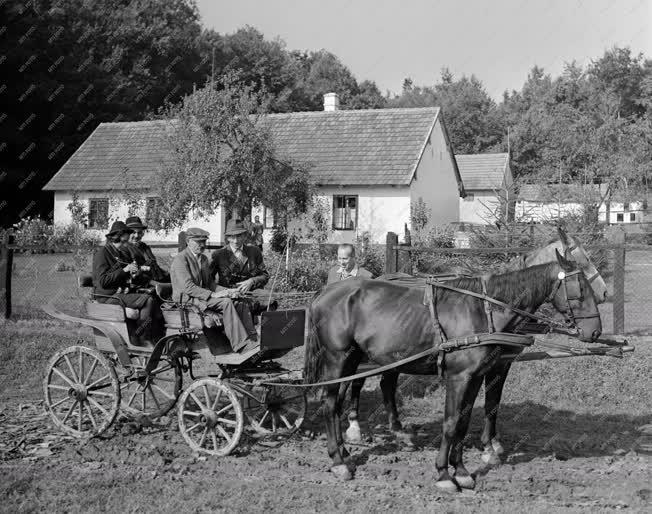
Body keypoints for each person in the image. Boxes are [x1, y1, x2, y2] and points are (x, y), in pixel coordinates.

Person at [170, 227, 258, 354]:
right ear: (188, 241)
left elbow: (210, 283)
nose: (202, 245)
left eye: (204, 242)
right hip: (188, 300)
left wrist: (229, 291)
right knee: (226, 302)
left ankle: (252, 339)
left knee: (239, 301)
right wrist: (214, 294)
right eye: (198, 242)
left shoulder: (203, 259)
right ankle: (241, 345)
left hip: (201, 296)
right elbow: (187, 287)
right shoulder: (181, 259)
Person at [92, 220, 165, 346]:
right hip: (107, 297)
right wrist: (125, 270)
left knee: (153, 297)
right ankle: (139, 336)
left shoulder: (121, 254)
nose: (127, 244)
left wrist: (136, 272)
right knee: (148, 300)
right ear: (116, 237)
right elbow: (103, 281)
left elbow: (125, 276)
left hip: (121, 294)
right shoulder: (102, 253)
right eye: (124, 241)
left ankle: (149, 335)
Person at [210, 219, 269, 292]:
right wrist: (223, 291)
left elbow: (265, 276)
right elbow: (209, 281)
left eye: (239, 236)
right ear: (227, 238)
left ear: (244, 236)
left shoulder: (254, 252)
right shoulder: (218, 254)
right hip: (227, 298)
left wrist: (252, 281)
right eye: (232, 237)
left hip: (251, 295)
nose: (236, 241)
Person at [124, 216, 170, 284]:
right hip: (139, 281)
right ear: (126, 233)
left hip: (155, 277)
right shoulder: (123, 248)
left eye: (139, 233)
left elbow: (154, 265)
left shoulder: (144, 246)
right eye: (133, 232)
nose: (137, 236)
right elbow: (127, 271)